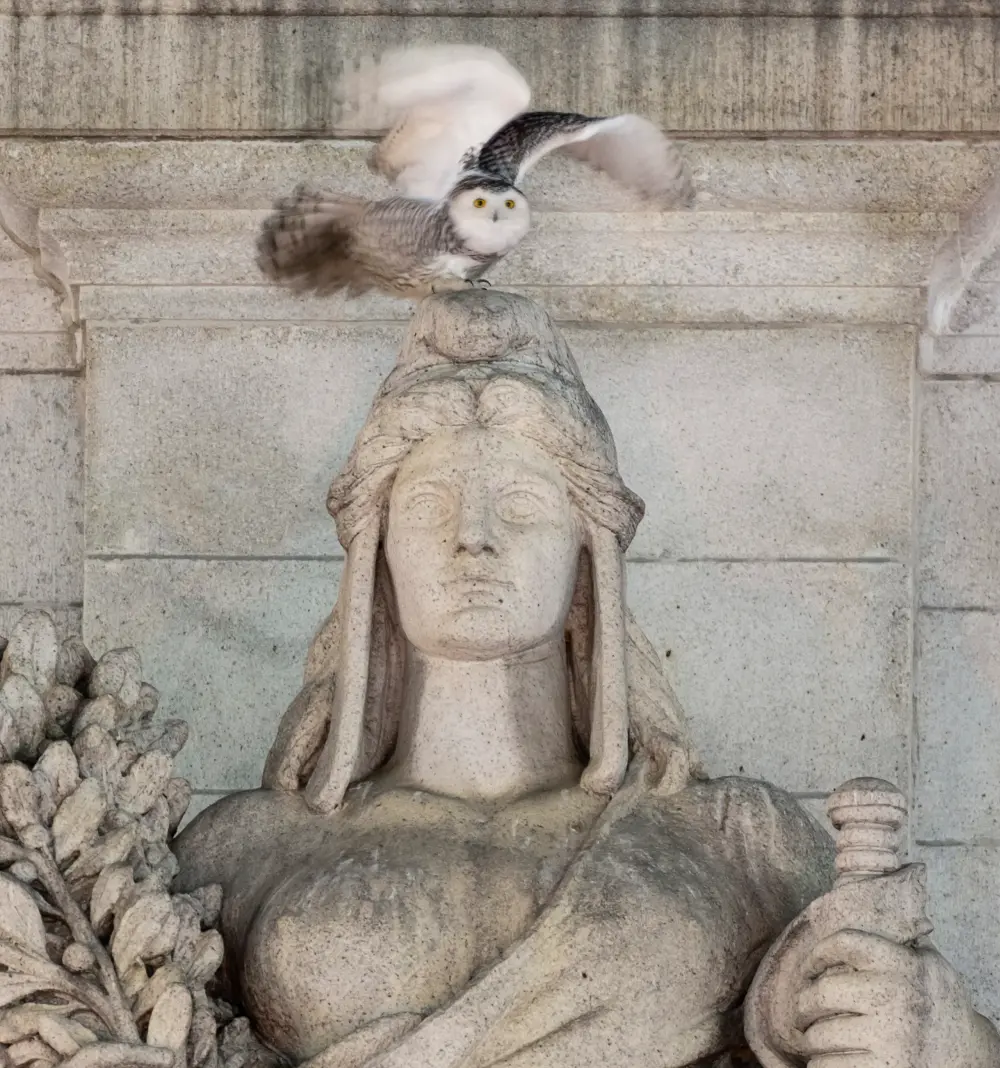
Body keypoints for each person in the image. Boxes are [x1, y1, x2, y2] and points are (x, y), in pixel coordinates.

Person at [174, 292, 1000, 1068]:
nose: (475, 541)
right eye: (428, 506)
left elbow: (890, 1020)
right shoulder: (243, 851)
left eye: (523, 506)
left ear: (587, 552)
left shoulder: (743, 842)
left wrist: (942, 1036)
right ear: (376, 552)